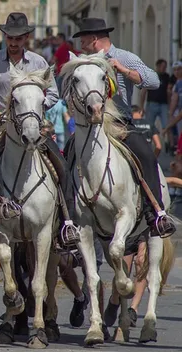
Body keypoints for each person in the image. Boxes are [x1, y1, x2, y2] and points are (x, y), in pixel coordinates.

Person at [0, 12, 78, 242]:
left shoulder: (39, 62)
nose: (13, 42)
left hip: (32, 126)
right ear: (4, 36)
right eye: (10, 37)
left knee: (60, 165)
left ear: (26, 38)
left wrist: (35, 108)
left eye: (18, 38)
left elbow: (53, 94)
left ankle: (67, 223)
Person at [72, 17, 175, 237]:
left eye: (83, 39)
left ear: (95, 39)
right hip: (89, 125)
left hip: (120, 124)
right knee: (67, 156)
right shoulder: (82, 62)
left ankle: (156, 213)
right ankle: (67, 220)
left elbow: (153, 81)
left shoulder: (124, 57)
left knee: (146, 156)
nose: (80, 44)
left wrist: (124, 70)